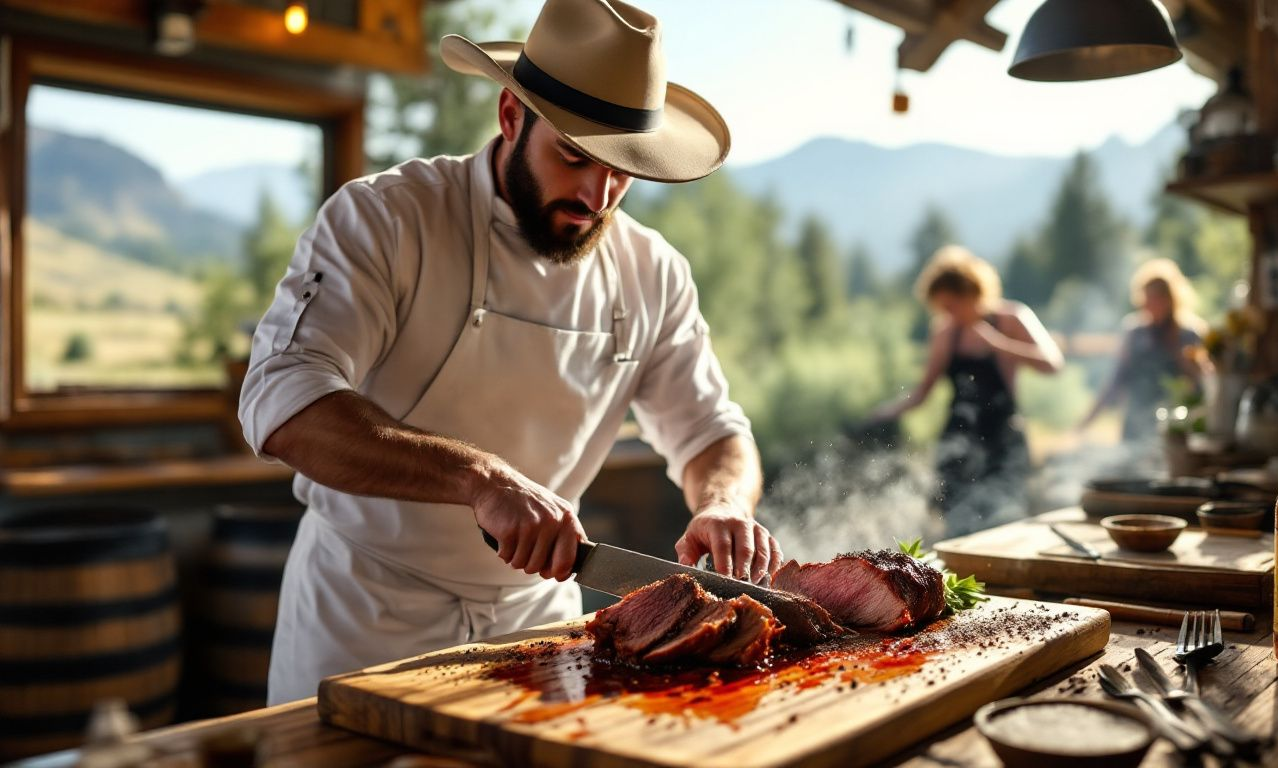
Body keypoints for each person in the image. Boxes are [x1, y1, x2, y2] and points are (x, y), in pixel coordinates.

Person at [238, 0, 780, 705]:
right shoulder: (386, 219)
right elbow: (284, 405)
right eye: (575, 157)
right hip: (366, 621)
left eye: (622, 170)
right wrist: (480, 479)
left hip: (537, 625)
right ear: (510, 116)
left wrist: (723, 502)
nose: (597, 195)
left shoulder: (654, 272)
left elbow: (711, 431)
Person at [864, 246, 1063, 536]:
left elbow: (1053, 364)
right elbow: (923, 392)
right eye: (942, 308)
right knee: (955, 523)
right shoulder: (946, 332)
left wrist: (997, 344)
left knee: (1007, 520)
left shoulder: (1012, 318)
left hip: (1003, 437)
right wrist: (883, 413)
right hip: (958, 439)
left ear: (973, 293)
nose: (948, 314)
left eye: (952, 305)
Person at [1079, 258, 1209, 441]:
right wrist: (1086, 422)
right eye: (1146, 298)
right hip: (1135, 425)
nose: (1148, 304)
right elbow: (1116, 380)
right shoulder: (1135, 333)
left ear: (1169, 299)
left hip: (1176, 426)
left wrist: (1182, 358)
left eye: (1155, 298)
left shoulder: (1188, 335)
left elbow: (1203, 383)